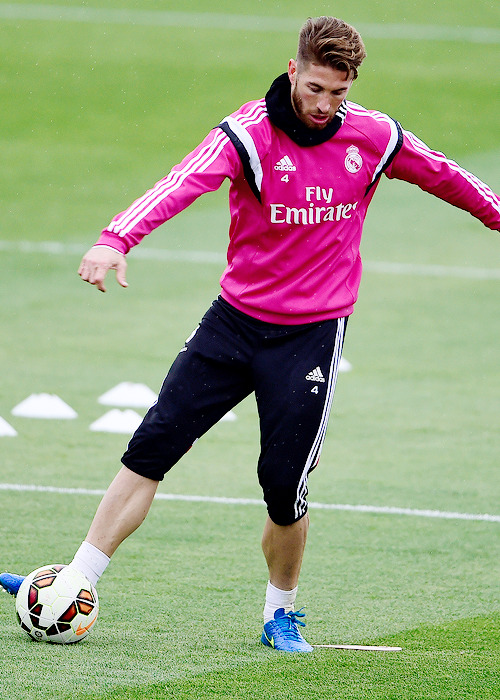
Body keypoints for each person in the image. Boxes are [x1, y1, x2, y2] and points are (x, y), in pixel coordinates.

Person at [2, 16, 499, 652]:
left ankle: (279, 614)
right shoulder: (246, 135)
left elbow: (447, 175)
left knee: (283, 484)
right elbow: (180, 183)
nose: (324, 105)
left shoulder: (375, 139)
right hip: (233, 326)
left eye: (338, 93)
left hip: (312, 338)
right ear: (294, 71)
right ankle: (74, 581)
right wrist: (114, 238)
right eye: (315, 88)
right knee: (152, 443)